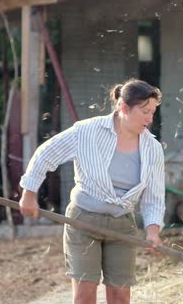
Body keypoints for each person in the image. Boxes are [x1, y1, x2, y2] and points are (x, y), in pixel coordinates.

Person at [18, 79, 165, 304]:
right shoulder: (87, 131)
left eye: (153, 112)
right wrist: (29, 193)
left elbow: (154, 197)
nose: (150, 118)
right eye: (145, 112)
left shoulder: (152, 148)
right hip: (83, 221)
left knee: (120, 295)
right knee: (85, 293)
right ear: (124, 108)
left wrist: (153, 231)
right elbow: (46, 154)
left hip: (122, 225)